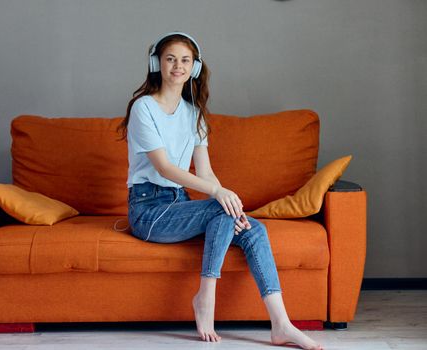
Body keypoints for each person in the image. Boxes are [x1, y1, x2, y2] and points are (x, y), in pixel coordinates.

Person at [116, 32, 323, 349]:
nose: (177, 66)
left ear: (194, 68)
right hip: (149, 212)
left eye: (185, 60)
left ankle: (281, 324)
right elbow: (166, 168)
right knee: (221, 207)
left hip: (180, 204)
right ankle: (206, 296)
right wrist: (221, 198)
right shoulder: (144, 107)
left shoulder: (194, 113)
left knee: (254, 230)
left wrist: (228, 201)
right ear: (156, 62)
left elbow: (207, 171)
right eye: (170, 58)